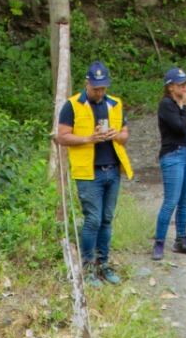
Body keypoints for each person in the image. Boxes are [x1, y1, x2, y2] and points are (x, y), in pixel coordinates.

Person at [53, 60, 132, 282]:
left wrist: (114, 135)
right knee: (93, 219)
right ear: (87, 83)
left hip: (112, 170)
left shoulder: (115, 104)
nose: (100, 91)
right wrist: (90, 138)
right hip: (88, 172)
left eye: (103, 87)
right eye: (96, 87)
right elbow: (62, 136)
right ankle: (87, 266)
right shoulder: (72, 105)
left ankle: (103, 263)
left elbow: (125, 135)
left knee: (107, 218)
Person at [152, 66, 186, 263]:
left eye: (185, 84)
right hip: (174, 154)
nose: (184, 88)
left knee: (185, 200)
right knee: (171, 200)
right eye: (180, 84)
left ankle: (181, 239)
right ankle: (159, 242)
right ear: (170, 86)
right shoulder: (166, 105)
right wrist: (183, 106)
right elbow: (179, 127)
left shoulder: (183, 106)